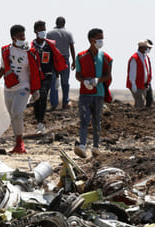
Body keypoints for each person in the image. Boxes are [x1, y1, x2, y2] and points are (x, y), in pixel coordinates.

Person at [0, 24, 42, 154]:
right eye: (20, 35)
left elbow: (34, 72)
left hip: (23, 87)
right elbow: (3, 67)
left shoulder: (29, 52)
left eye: (24, 35)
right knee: (13, 116)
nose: (23, 37)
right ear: (13, 37)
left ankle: (20, 144)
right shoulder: (6, 50)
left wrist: (35, 89)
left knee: (17, 113)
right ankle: (17, 143)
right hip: (9, 88)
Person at [74, 28, 113, 159]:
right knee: (84, 120)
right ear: (91, 40)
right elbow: (77, 74)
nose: (101, 41)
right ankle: (82, 146)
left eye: (102, 38)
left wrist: (99, 80)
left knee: (97, 120)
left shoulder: (106, 57)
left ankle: (96, 147)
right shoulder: (81, 56)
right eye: (99, 38)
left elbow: (108, 75)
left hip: (99, 93)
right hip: (85, 93)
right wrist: (83, 81)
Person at [30, 20, 67, 134]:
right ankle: (38, 120)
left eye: (44, 29)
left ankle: (41, 123)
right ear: (35, 31)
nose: (43, 31)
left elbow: (56, 60)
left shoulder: (50, 45)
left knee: (44, 95)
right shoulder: (31, 46)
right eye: (40, 29)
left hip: (48, 75)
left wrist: (57, 77)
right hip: (36, 77)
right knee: (37, 99)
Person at [46, 16, 76, 110]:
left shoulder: (50, 33)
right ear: (64, 23)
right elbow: (71, 47)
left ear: (56, 23)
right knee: (65, 82)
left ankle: (54, 104)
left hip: (53, 60)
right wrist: (74, 61)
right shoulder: (68, 33)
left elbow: (48, 48)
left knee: (53, 82)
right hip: (64, 60)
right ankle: (65, 103)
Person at [126, 39, 153, 108]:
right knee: (140, 101)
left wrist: (148, 81)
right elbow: (132, 72)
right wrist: (133, 84)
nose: (148, 49)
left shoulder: (146, 57)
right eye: (146, 47)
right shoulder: (134, 58)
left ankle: (138, 116)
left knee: (146, 100)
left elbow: (147, 70)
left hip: (144, 84)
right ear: (141, 48)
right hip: (136, 84)